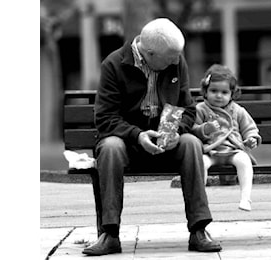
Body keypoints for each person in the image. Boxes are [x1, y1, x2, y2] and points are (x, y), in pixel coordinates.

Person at [82, 18, 222, 256]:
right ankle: (110, 234)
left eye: (177, 56)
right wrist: (137, 136)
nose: (176, 61)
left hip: (167, 145)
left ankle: (199, 230)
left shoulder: (175, 61)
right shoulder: (113, 65)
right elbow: (105, 119)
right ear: (149, 53)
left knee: (191, 143)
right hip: (129, 146)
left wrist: (178, 132)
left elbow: (188, 109)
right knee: (110, 147)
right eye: (170, 57)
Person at [192, 64, 262, 211]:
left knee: (244, 161)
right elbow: (193, 130)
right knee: (200, 164)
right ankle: (200, 201)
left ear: (232, 94)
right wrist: (205, 128)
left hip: (233, 150)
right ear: (205, 91)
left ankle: (245, 198)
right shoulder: (201, 109)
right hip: (210, 151)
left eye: (224, 92)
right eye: (213, 91)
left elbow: (249, 128)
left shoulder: (238, 110)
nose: (218, 95)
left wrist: (251, 139)